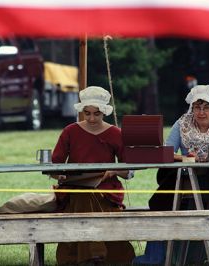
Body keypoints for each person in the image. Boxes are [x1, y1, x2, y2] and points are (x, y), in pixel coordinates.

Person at [135, 85, 209, 265]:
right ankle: (155, 259)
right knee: (160, 202)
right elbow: (166, 152)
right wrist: (184, 158)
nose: (200, 112)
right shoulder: (182, 123)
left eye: (205, 107)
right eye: (196, 107)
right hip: (187, 179)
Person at [51, 86, 135, 265]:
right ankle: (95, 256)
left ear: (104, 112)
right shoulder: (70, 131)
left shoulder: (115, 133)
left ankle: (83, 258)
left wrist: (112, 170)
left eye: (96, 114)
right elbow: (55, 165)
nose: (91, 118)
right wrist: (62, 175)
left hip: (107, 192)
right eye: (87, 113)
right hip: (74, 190)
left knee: (90, 197)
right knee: (84, 195)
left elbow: (129, 170)